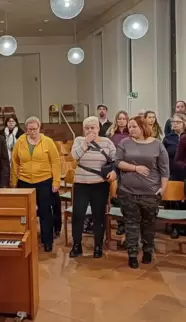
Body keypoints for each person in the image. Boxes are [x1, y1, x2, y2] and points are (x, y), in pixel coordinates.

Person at [116, 116, 169, 269]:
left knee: (149, 224)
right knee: (131, 224)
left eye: (134, 126)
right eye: (129, 127)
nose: (130, 129)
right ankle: (132, 254)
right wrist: (135, 168)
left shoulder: (157, 145)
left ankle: (147, 251)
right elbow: (118, 162)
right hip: (128, 192)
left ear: (143, 127)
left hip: (150, 193)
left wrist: (163, 189)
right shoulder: (124, 143)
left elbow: (164, 169)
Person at [10, 116, 60, 252]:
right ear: (26, 129)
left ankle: (47, 241)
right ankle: (28, 240)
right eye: (29, 129)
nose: (32, 132)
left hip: (44, 181)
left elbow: (55, 162)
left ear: (39, 128)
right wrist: (13, 181)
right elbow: (15, 162)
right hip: (25, 181)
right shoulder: (20, 141)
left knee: (45, 212)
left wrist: (56, 181)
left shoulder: (48, 142)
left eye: (35, 129)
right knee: (27, 213)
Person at [69, 116, 117, 259]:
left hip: (99, 184)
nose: (90, 130)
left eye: (93, 127)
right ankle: (76, 245)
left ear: (98, 128)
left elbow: (115, 160)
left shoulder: (107, 142)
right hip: (81, 184)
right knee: (78, 215)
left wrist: (114, 171)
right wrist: (86, 142)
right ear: (83, 129)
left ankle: (98, 246)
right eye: (87, 128)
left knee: (98, 216)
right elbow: (74, 156)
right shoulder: (79, 140)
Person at [106, 110, 129, 235]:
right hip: (114, 167)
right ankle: (120, 223)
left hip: (127, 168)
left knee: (126, 196)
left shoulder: (130, 134)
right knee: (115, 196)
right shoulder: (111, 134)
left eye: (123, 119)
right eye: (119, 119)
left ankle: (127, 222)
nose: (121, 121)